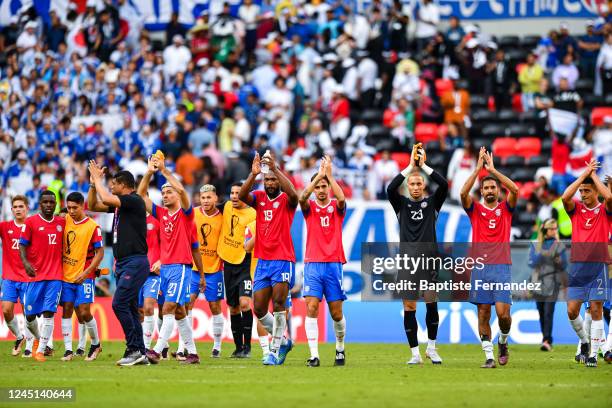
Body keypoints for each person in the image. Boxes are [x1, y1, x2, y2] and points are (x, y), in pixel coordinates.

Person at [138, 156, 204, 365]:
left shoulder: (186, 214)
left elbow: (184, 192)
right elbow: (140, 195)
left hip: (180, 268)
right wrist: (150, 172)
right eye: (164, 192)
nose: (165, 195)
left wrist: (165, 172)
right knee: (178, 312)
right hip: (165, 268)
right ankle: (192, 353)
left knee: (167, 308)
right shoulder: (161, 214)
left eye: (169, 192)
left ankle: (155, 351)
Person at [387, 145, 448, 365]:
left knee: (431, 302)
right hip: (407, 262)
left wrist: (423, 167)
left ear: (424, 185)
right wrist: (410, 167)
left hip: (429, 260)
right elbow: (390, 189)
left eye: (418, 183)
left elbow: (444, 184)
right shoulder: (401, 204)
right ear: (407, 186)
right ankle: (415, 353)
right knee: (409, 307)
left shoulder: (432, 203)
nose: (415, 186)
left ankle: (431, 348)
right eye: (411, 183)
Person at [460, 147, 519, 368]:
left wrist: (493, 170)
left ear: (498, 190)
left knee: (503, 314)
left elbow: (515, 189)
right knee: (483, 313)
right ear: (482, 191)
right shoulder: (474, 210)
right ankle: (489, 356)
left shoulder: (506, 209)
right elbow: (462, 194)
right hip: (480, 269)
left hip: (502, 267)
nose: (490, 190)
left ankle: (503, 342)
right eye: (486, 188)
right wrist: (477, 170)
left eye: (493, 187)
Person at [239, 152, 298, 365]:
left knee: (279, 304)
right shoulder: (260, 198)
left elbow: (294, 195)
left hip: (283, 259)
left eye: (273, 179)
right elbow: (242, 196)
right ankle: (283, 340)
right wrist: (253, 175)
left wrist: (276, 169)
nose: (270, 183)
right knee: (259, 308)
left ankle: (273, 351)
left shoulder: (286, 200)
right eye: (268, 179)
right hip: (263, 260)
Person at [88, 162, 149, 366]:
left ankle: (133, 349)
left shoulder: (133, 200)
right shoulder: (120, 204)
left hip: (135, 261)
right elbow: (93, 205)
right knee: (130, 307)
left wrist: (98, 178)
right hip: (123, 263)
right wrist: (92, 185)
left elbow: (105, 197)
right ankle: (140, 351)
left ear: (123, 185)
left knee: (118, 303)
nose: (111, 187)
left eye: (113, 184)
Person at [561, 160, 611, 367]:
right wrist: (583, 175)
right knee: (572, 311)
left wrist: (595, 177)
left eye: (587, 191)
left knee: (596, 310)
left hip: (598, 265)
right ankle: (584, 341)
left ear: (595, 192)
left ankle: (593, 354)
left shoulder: (605, 211)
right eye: (581, 191)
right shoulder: (576, 210)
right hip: (578, 266)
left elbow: (608, 197)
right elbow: (565, 197)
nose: (583, 195)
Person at [299, 156, 347, 367]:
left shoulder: (337, 207)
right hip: (312, 264)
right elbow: (302, 198)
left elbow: (343, 198)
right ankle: (314, 355)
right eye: (317, 186)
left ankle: (340, 348)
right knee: (311, 307)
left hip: (333, 263)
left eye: (323, 186)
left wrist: (329, 175)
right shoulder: (309, 208)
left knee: (336, 313)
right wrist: (319, 174)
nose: (320, 189)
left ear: (329, 187)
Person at [19, 190, 66, 362]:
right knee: (29, 315)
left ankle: (40, 350)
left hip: (55, 276)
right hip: (35, 276)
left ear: (55, 204)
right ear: (40, 204)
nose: (48, 205)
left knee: (49, 313)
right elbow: (22, 246)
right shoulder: (30, 222)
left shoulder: (62, 223)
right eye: (45, 202)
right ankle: (38, 338)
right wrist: (25, 264)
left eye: (51, 202)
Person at [59, 192, 104, 362]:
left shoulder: (93, 226)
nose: (71, 211)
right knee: (68, 310)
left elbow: (100, 253)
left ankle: (96, 344)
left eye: (74, 208)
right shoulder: (65, 220)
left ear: (83, 206)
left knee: (84, 312)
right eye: (69, 207)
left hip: (85, 275)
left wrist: (86, 273)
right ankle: (68, 350)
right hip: (66, 275)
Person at [184, 184, 225, 359]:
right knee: (188, 304)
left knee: (214, 306)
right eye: (203, 198)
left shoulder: (223, 216)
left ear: (216, 198)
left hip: (214, 268)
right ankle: (187, 345)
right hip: (193, 268)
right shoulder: (192, 214)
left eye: (209, 197)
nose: (206, 201)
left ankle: (217, 345)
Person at [217, 182, 256, 358]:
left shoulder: (253, 213)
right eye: (232, 192)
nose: (234, 196)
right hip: (228, 263)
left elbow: (256, 236)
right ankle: (238, 347)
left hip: (245, 264)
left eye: (237, 193)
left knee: (245, 303)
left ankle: (247, 347)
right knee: (233, 308)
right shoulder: (225, 206)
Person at [528, 218, 568, 352]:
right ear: (545, 230)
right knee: (541, 311)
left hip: (554, 281)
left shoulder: (559, 245)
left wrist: (558, 261)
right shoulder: (535, 244)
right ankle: (545, 338)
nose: (554, 231)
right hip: (538, 281)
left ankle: (547, 340)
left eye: (555, 228)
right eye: (552, 228)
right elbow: (531, 263)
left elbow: (564, 265)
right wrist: (542, 255)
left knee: (548, 311)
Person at [0, 195, 30, 356]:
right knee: (6, 310)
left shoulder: (32, 226)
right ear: (11, 210)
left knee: (28, 313)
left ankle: (30, 345)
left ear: (27, 208)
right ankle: (19, 337)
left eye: (21, 206)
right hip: (9, 277)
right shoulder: (5, 227)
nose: (18, 209)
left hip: (27, 277)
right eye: (15, 207)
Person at [139, 211, 161, 352]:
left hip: (153, 272)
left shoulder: (156, 220)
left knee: (148, 307)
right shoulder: (130, 220)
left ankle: (146, 347)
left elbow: (167, 243)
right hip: (136, 271)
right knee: (137, 311)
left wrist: (161, 260)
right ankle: (137, 343)